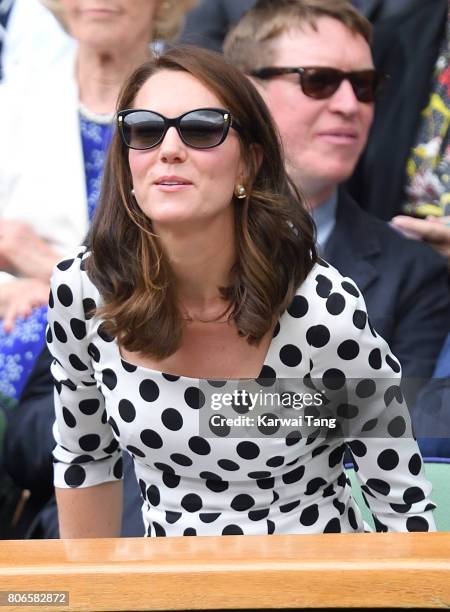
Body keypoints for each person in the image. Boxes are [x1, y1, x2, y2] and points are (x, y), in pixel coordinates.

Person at [47, 45, 436, 538]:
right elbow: (86, 458)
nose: (168, 149)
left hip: (311, 587)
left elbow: (401, 504)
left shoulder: (322, 310)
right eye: (144, 130)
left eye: (202, 128)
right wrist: (88, 599)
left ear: (249, 166)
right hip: (163, 587)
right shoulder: (82, 289)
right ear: (126, 162)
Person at [224, 0, 449, 385]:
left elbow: (401, 430)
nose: (349, 105)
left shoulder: (413, 275)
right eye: (318, 81)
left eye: (364, 86)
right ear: (247, 92)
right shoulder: (160, 239)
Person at [0, 0, 196, 409]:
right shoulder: (14, 99)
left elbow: (195, 268)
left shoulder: (198, 108)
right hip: (18, 330)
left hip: (157, 351)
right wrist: (16, 289)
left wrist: (51, 271)